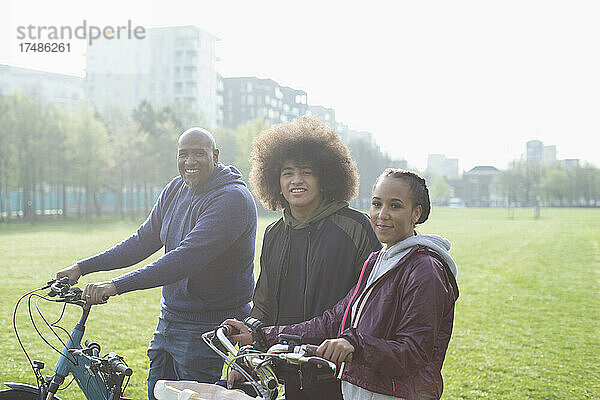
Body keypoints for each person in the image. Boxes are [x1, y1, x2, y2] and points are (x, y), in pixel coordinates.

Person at [56, 127, 257, 400]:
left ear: (216, 155)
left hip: (208, 329)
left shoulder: (232, 199)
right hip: (170, 319)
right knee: (156, 393)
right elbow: (142, 241)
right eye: (183, 154)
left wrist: (115, 286)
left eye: (199, 154)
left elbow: (184, 259)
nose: (190, 162)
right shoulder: (175, 189)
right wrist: (82, 268)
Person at [225, 168, 459, 400]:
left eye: (395, 206)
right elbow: (334, 320)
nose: (382, 214)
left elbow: (415, 352)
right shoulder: (377, 261)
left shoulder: (425, 269)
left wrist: (355, 344)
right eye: (377, 204)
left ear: (416, 213)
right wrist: (262, 336)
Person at [243, 116, 381, 399]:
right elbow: (263, 303)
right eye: (287, 172)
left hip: (342, 370)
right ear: (274, 180)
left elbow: (374, 300)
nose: (296, 180)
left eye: (307, 172)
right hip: (286, 366)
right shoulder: (273, 233)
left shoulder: (355, 226)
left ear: (325, 178)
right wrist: (249, 346)